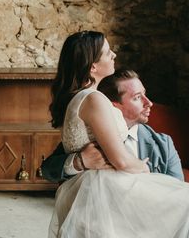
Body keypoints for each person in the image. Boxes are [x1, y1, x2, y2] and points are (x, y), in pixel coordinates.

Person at [48, 31, 189, 238]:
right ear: (93, 66)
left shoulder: (81, 98)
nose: (114, 55)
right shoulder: (94, 99)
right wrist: (143, 168)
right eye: (107, 52)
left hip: (99, 188)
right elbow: (121, 161)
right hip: (104, 189)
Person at [41, 69, 183, 182]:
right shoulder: (91, 135)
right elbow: (47, 170)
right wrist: (80, 161)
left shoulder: (164, 144)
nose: (149, 103)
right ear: (113, 105)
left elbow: (177, 194)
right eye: (137, 97)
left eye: (145, 94)